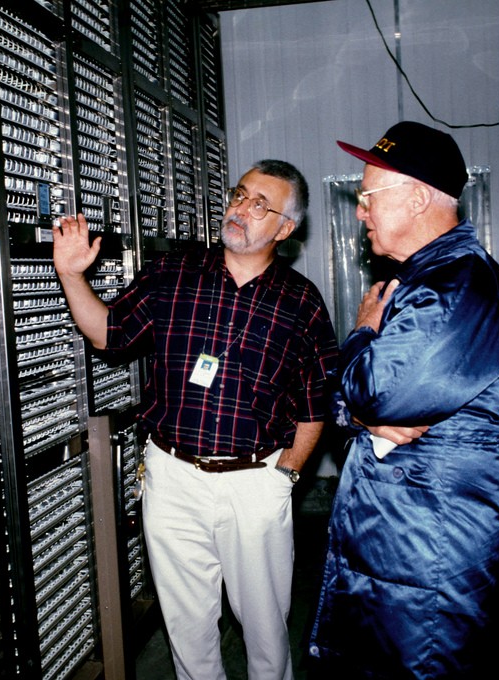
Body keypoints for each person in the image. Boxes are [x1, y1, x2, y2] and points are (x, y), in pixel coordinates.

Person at [52, 159, 338, 680]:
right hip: (173, 475)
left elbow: (318, 402)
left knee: (266, 630)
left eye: (260, 205)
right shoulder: (172, 273)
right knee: (187, 629)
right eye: (239, 194)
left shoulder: (301, 303)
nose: (241, 209)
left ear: (285, 228)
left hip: (256, 480)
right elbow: (108, 334)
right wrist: (71, 275)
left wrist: (288, 473)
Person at [307, 121, 499, 678]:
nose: (360, 212)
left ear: (415, 198)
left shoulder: (456, 288)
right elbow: (364, 404)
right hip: (399, 537)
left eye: (367, 197)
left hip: (426, 546)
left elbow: (376, 393)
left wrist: (362, 333)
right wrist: (362, 411)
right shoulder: (428, 280)